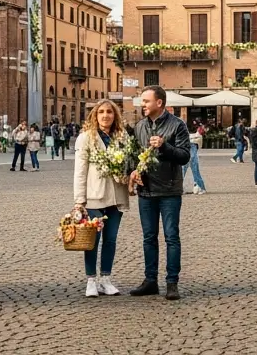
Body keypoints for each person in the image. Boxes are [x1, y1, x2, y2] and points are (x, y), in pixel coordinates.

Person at [127, 86, 191, 301]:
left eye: (146, 101)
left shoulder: (177, 125)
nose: (142, 104)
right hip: (146, 190)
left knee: (172, 237)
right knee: (148, 237)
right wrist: (133, 172)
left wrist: (164, 147)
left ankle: (172, 282)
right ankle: (150, 280)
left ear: (159, 103)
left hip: (170, 190)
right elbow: (134, 157)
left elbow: (184, 156)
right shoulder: (139, 127)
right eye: (142, 101)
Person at [74, 98, 131, 296]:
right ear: (95, 116)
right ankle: (91, 280)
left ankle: (106, 278)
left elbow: (129, 164)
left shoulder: (122, 137)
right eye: (101, 112)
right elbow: (80, 171)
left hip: (116, 195)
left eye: (109, 112)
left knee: (111, 240)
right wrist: (79, 200)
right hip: (94, 196)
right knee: (92, 240)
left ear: (115, 115)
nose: (105, 115)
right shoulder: (86, 138)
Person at [184, 123, 207, 195]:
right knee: (195, 171)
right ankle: (200, 187)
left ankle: (179, 188)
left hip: (186, 154)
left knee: (182, 171)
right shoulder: (197, 137)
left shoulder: (191, 137)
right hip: (190, 154)